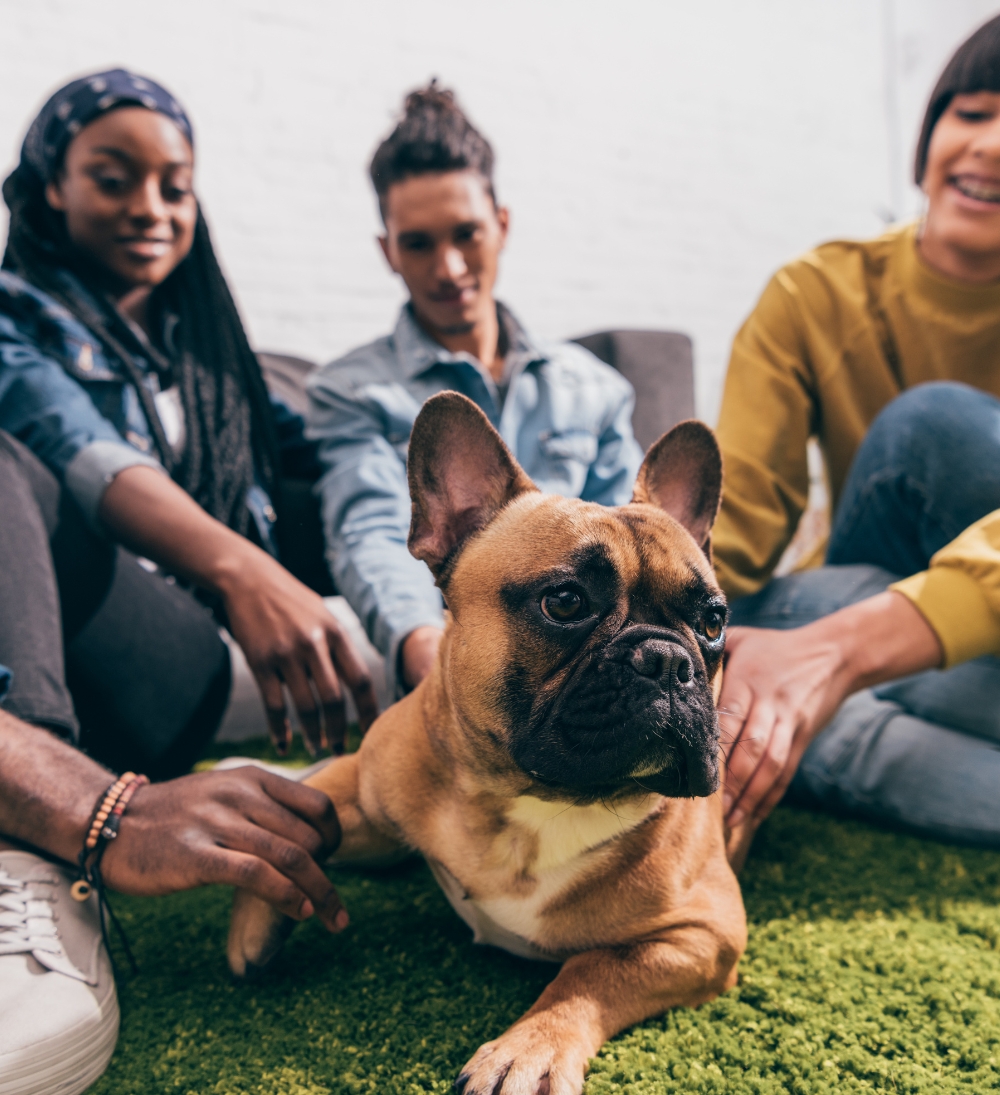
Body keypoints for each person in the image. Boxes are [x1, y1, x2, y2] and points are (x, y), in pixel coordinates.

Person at [0, 70, 374, 1093]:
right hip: (57, 653)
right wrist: (240, 566)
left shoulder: (208, 349)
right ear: (47, 194)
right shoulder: (12, 318)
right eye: (114, 178)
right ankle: (27, 857)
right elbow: (70, 441)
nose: (151, 209)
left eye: (175, 184)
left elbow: (323, 464)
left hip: (183, 666)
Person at [714, 15, 1000, 854]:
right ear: (930, 134)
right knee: (752, 637)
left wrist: (834, 657)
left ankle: (814, 707)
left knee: (934, 426)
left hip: (888, 637)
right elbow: (729, 531)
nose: (989, 147)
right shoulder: (816, 294)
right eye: (973, 113)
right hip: (864, 602)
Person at [308, 83, 643, 694]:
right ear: (387, 251)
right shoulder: (349, 392)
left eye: (466, 234)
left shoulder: (597, 392)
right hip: (438, 659)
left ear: (502, 225)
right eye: (418, 243)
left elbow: (632, 546)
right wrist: (421, 643)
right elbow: (372, 531)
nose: (449, 268)